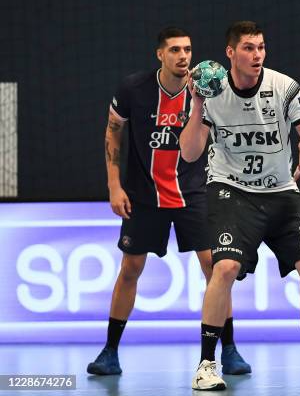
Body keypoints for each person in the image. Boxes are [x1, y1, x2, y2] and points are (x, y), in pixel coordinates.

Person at [180, 21, 300, 390]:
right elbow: (189, 153)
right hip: (230, 190)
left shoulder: (284, 87)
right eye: (249, 48)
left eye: (261, 48)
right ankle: (206, 364)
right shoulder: (211, 93)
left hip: (281, 189)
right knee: (225, 268)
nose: (257, 55)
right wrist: (197, 103)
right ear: (230, 53)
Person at [87, 27, 250, 376]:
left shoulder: (208, 89)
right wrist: (114, 185)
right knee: (130, 269)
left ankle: (231, 350)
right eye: (175, 50)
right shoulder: (133, 89)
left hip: (194, 194)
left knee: (217, 269)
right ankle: (109, 351)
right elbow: (113, 131)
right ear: (160, 54)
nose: (183, 56)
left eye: (188, 50)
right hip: (144, 195)